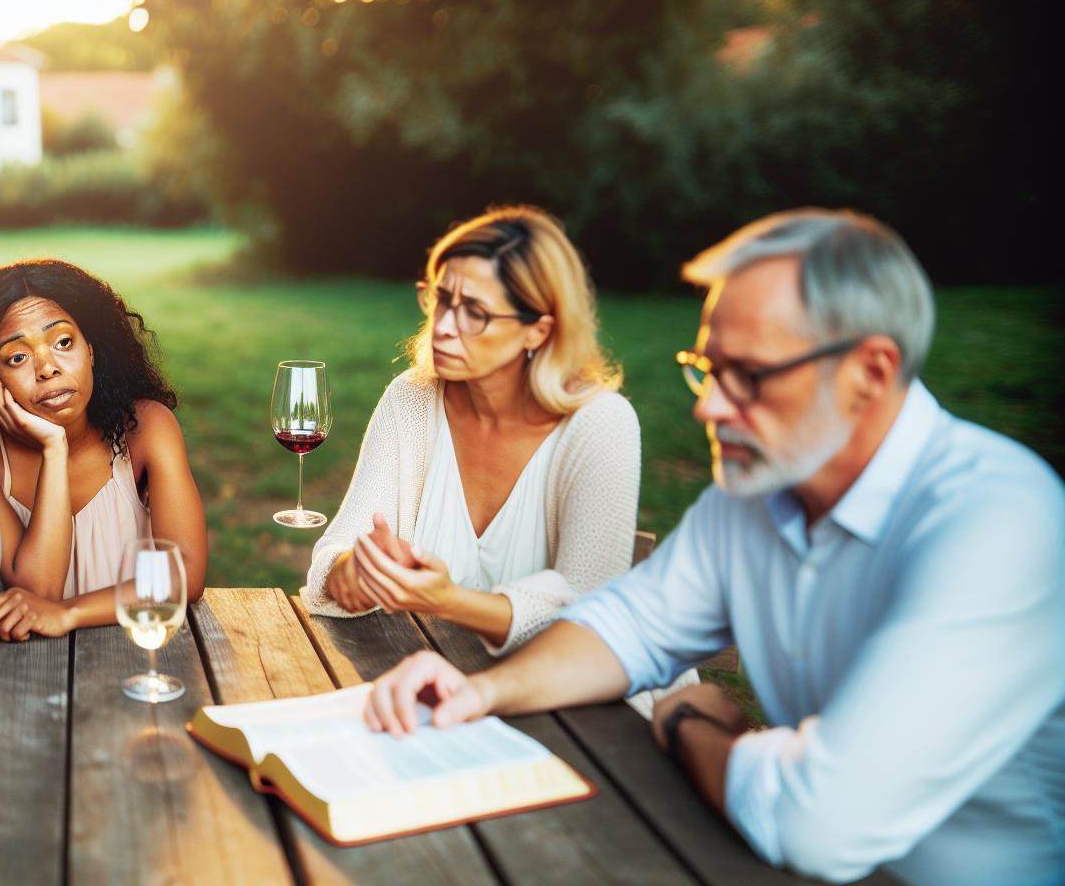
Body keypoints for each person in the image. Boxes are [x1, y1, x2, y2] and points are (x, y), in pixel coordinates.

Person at [363, 210, 1065, 886]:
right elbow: (625, 625)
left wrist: (687, 721)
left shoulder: (997, 522)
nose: (709, 406)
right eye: (708, 367)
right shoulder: (751, 504)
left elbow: (814, 821)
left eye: (749, 377)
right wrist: (478, 690)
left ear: (872, 373)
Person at [303, 206, 644, 657]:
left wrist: (449, 602)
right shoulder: (413, 399)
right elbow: (335, 553)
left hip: (575, 704)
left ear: (537, 331)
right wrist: (355, 571)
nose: (443, 327)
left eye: (475, 313)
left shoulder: (600, 424)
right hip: (429, 682)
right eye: (442, 299)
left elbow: (593, 611)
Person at [0, 259, 207, 640]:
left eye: (63, 342)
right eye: (18, 357)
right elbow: (38, 592)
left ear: (92, 349)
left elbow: (187, 572)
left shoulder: (146, 427)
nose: (47, 368)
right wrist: (53, 446)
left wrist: (68, 614)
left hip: (142, 649)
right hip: (26, 668)